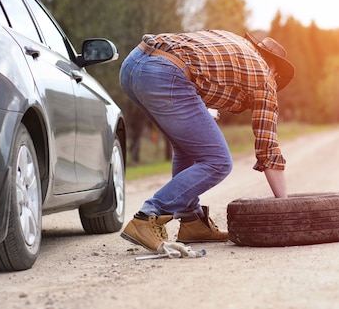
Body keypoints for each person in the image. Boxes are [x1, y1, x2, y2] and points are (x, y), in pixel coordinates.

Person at [119, 29, 295, 252]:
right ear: (275, 69)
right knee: (218, 161)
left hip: (133, 64)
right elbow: (268, 148)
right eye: (277, 76)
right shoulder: (265, 77)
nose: (275, 81)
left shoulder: (234, 43)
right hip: (165, 73)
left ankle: (192, 221)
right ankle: (149, 215)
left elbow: (195, 64)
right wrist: (286, 209)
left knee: (186, 148)